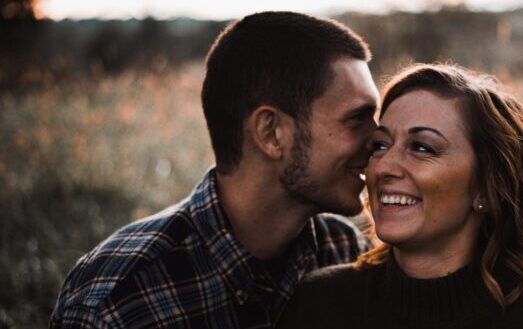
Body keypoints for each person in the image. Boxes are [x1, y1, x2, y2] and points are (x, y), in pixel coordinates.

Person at [50, 12, 379, 329]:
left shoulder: (346, 250)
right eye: (356, 119)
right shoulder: (117, 301)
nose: (378, 138)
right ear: (271, 133)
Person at [277, 64, 523, 329]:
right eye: (380, 145)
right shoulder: (319, 305)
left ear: (486, 187)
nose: (384, 166)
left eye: (422, 148)